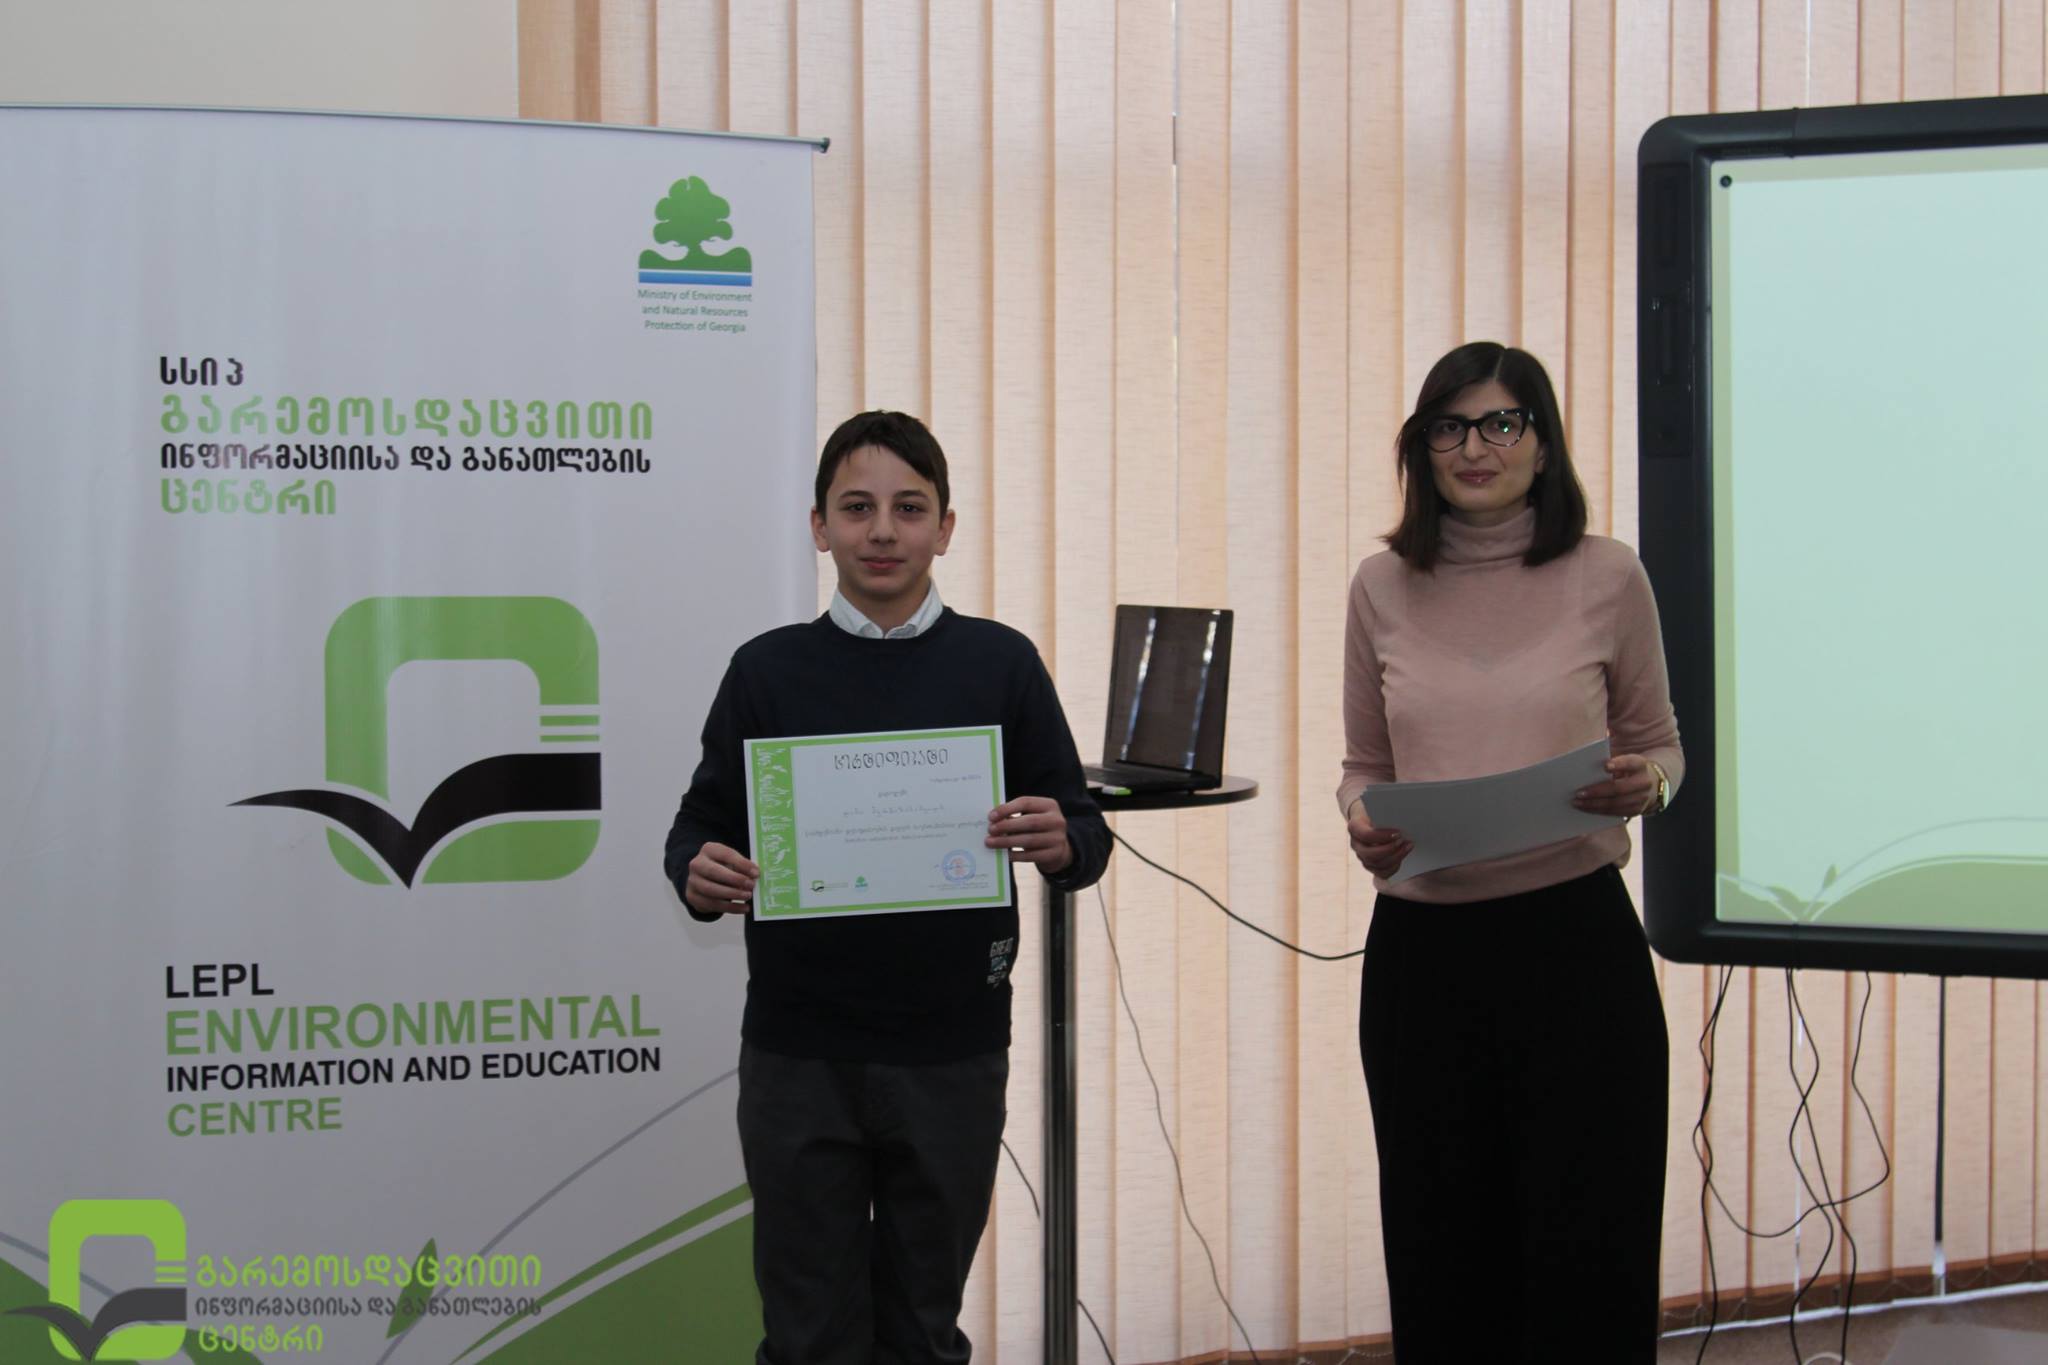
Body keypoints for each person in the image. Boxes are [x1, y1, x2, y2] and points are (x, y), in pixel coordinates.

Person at [665, 409, 1111, 1365]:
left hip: (950, 1052)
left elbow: (1084, 831)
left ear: (945, 528)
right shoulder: (767, 670)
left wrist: (1059, 838)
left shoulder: (1001, 663)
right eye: (856, 507)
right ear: (819, 526)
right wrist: (700, 872)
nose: (882, 530)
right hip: (800, 1056)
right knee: (807, 1335)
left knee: (921, 1330)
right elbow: (699, 827)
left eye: (909, 508)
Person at [1338, 342, 1682, 1362]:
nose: (1475, 447)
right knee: (1444, 1253)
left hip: (1575, 949)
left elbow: (1661, 746)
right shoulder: (1380, 585)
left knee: (1590, 1250)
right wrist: (1361, 821)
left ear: (1542, 442)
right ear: (1422, 448)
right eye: (1450, 427)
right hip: (1424, 962)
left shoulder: (1607, 573)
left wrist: (1648, 784)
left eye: (1501, 422)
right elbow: (1362, 764)